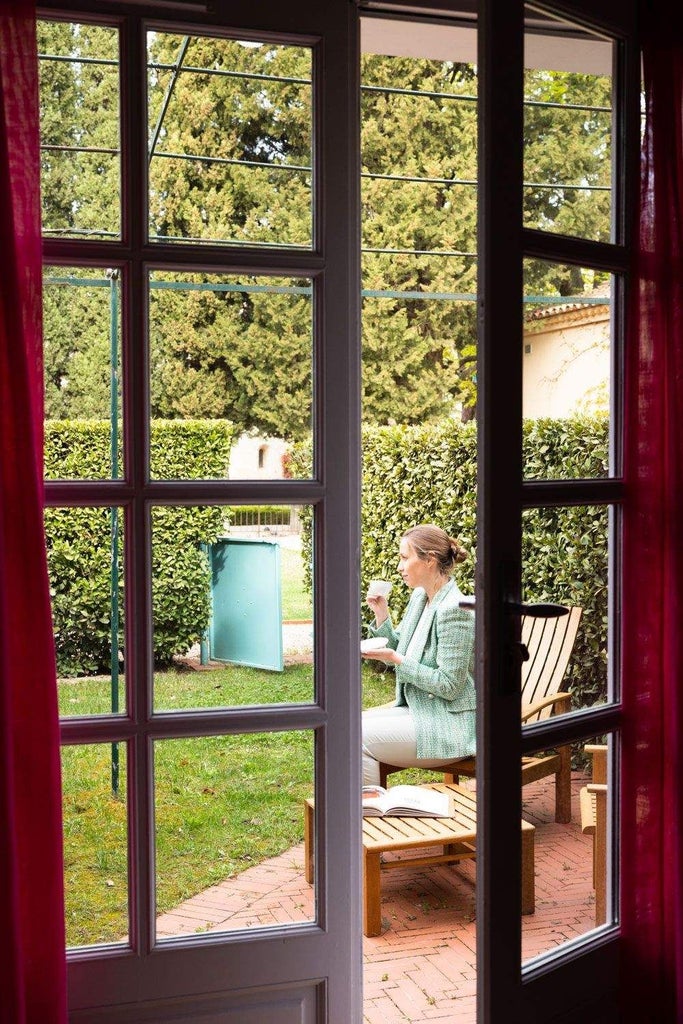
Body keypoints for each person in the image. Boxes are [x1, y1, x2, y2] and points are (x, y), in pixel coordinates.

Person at [361, 523, 476, 787]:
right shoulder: (420, 597)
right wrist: (382, 614)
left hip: (450, 725)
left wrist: (397, 661)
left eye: (404, 557)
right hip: (420, 710)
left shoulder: (454, 610)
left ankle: (367, 816)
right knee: (346, 725)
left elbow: (449, 685)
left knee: (359, 738)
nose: (400, 567)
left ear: (429, 560)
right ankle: (363, 813)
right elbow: (401, 646)